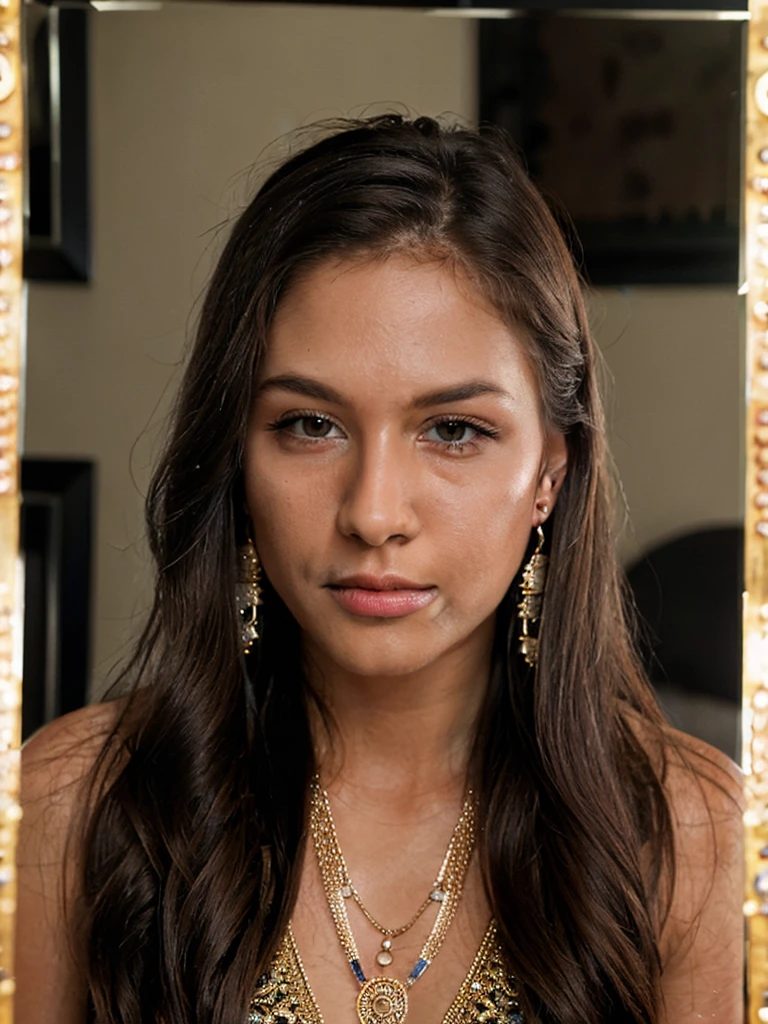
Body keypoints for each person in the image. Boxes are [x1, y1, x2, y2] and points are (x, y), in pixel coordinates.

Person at [17, 114, 743, 1024]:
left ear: (550, 473)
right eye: (309, 425)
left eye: (453, 431)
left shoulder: (686, 827)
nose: (372, 513)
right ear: (237, 456)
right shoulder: (74, 804)